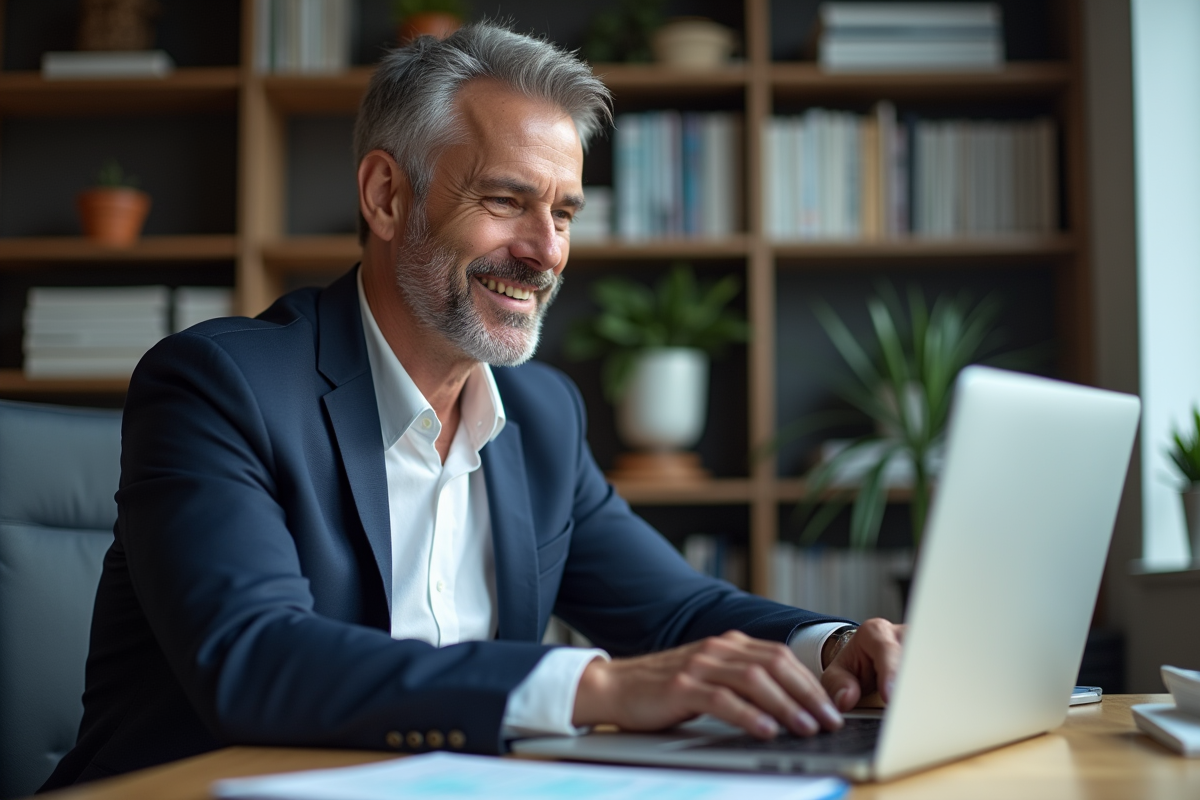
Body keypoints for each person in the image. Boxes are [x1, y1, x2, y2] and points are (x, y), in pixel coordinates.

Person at [43, 23, 903, 789]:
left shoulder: (542, 414)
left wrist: (830, 646)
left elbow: (674, 610)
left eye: (563, 212)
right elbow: (254, 659)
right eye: (506, 201)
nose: (545, 252)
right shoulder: (217, 385)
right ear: (385, 196)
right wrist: (592, 686)